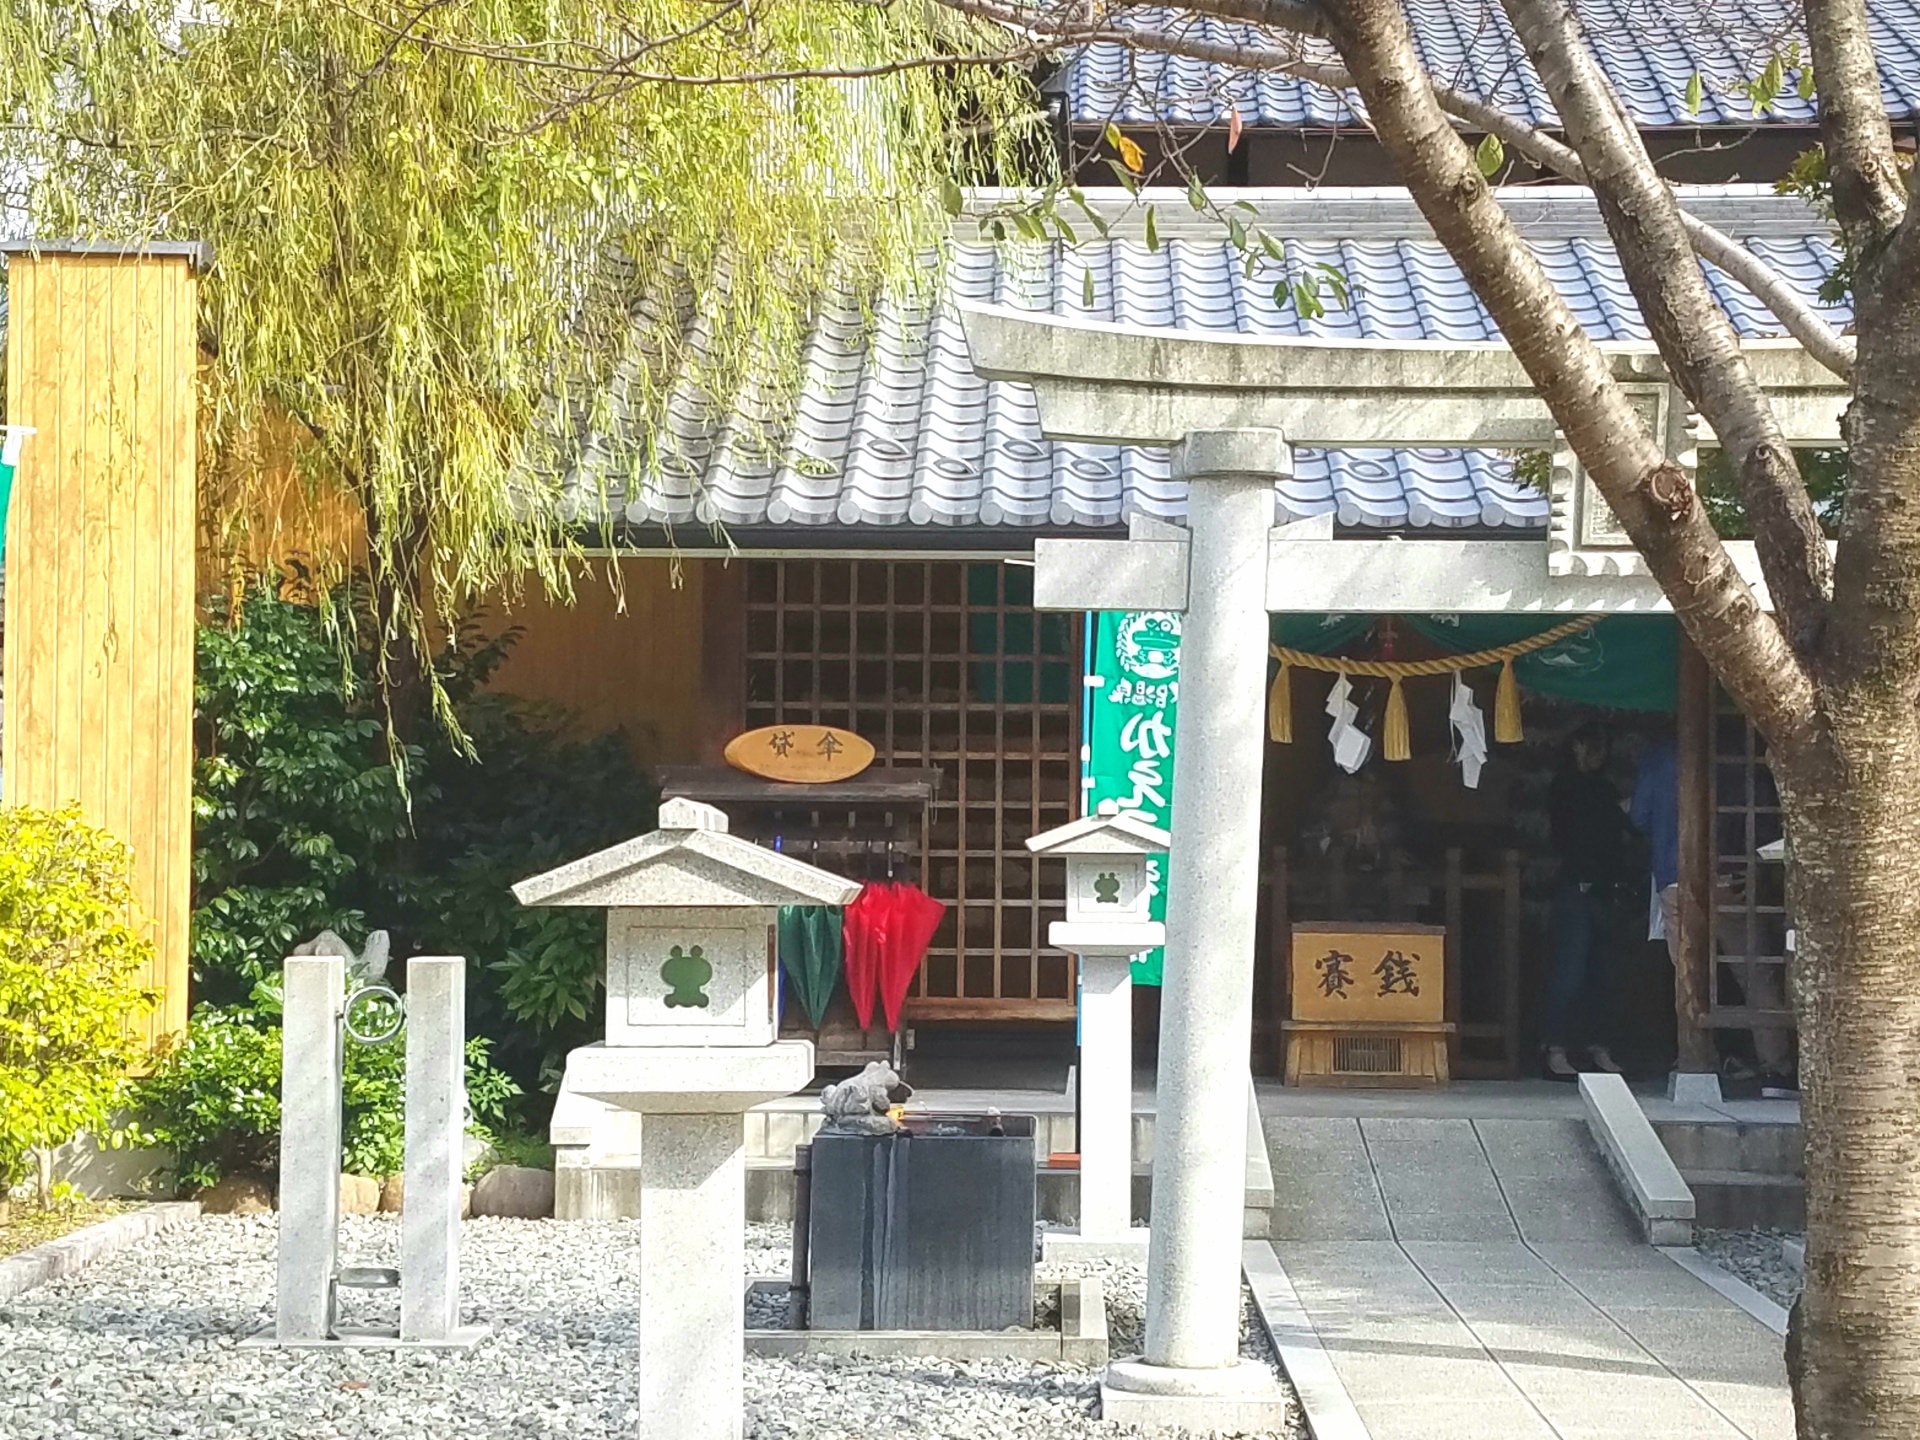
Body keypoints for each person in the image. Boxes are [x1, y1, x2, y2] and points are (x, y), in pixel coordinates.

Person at [1542, 723, 1634, 1080]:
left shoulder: (1605, 788)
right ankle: (1555, 1047)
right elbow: (1569, 837)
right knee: (1570, 971)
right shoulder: (1564, 788)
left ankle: (1599, 1046)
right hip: (1576, 887)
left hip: (1607, 888)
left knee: (1604, 973)